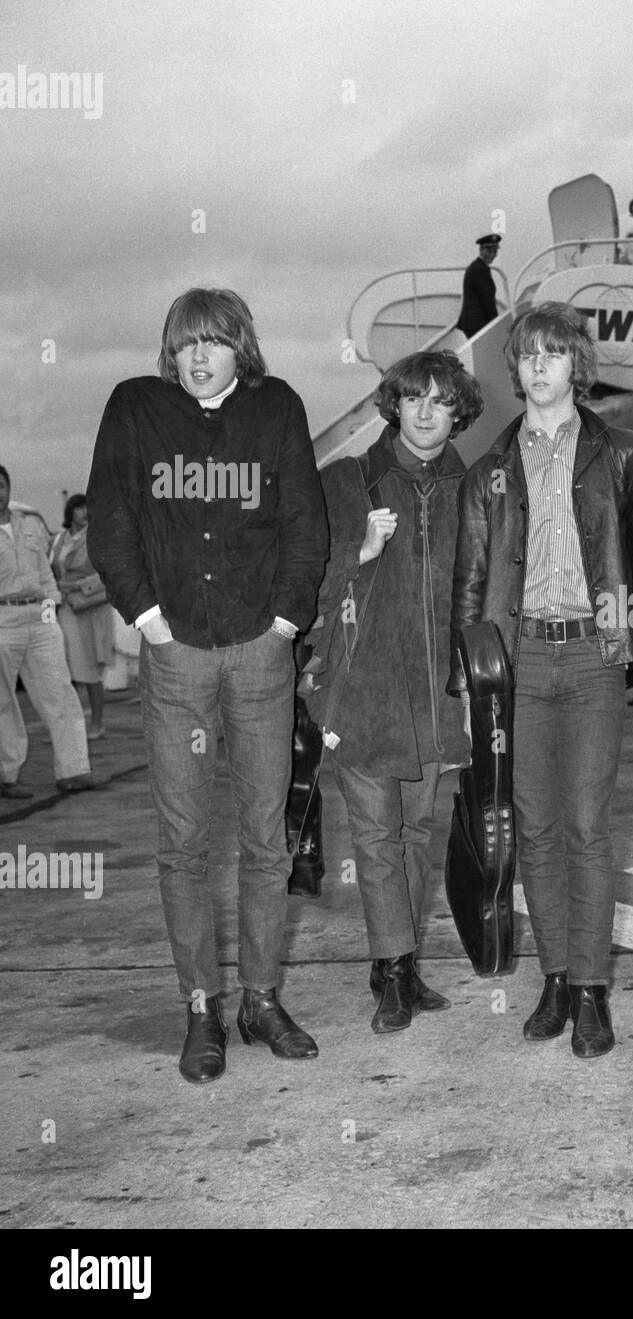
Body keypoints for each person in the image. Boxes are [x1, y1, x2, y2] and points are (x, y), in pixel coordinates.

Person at [87, 288, 327, 1085]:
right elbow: (111, 517)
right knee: (184, 843)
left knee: (266, 838)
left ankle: (260, 998)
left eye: (216, 342)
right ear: (171, 349)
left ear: (240, 348)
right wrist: (149, 618)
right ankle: (201, 1006)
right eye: (187, 342)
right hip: (176, 651)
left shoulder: (277, 408)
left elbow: (306, 521)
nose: (199, 357)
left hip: (261, 650)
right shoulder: (134, 408)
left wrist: (287, 622)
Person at [451, 301, 633, 1059]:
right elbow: (471, 583)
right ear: (514, 370)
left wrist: (632, 640)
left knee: (585, 824)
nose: (538, 366)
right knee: (535, 828)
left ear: (578, 364)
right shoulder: (487, 473)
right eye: (526, 355)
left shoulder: (626, 453)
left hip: (590, 658)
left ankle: (592, 988)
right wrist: (469, 681)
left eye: (553, 353)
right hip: (519, 661)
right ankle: (553, 976)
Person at [307, 350, 479, 1032]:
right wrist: (360, 553)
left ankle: (393, 961)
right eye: (414, 399)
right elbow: (306, 587)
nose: (427, 412)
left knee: (416, 834)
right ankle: (398, 971)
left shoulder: (476, 489)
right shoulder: (345, 483)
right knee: (377, 835)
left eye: (442, 401)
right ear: (395, 405)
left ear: (459, 411)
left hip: (438, 693)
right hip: (364, 688)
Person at [0, 467, 96, 797]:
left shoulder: (30, 522)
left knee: (61, 693)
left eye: (1, 486)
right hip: (2, 620)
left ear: (9, 487)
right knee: (3, 702)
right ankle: (7, 776)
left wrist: (49, 616)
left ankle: (74, 770)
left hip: (38, 617)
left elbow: (44, 573)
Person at [50, 494, 114, 739]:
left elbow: (106, 572)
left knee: (88, 668)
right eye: (79, 508)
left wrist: (78, 587)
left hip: (89, 608)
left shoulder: (97, 537)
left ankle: (97, 723)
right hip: (63, 607)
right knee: (64, 667)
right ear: (70, 511)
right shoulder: (58, 539)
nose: (84, 512)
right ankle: (69, 727)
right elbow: (50, 572)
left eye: (88, 507)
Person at [455, 234, 501, 339]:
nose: (493, 255)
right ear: (482, 250)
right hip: (478, 324)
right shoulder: (479, 270)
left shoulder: (477, 267)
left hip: (473, 323)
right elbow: (487, 300)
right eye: (490, 251)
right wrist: (496, 323)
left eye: (495, 251)